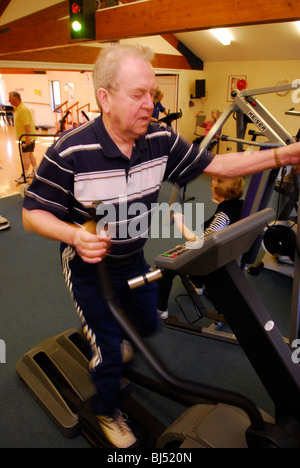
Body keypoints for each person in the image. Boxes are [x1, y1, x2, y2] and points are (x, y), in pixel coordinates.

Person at [22, 43, 300, 448]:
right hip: (89, 267)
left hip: (132, 256)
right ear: (105, 97)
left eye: (152, 94)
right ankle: (107, 408)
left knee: (149, 323)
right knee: (109, 353)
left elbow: (218, 166)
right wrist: (75, 235)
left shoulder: (159, 139)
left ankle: (117, 342)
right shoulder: (70, 150)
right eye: (137, 95)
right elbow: (32, 214)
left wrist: (285, 154)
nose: (149, 104)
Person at [157, 176, 245, 319]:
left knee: (165, 267)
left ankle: (160, 309)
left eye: (212, 185)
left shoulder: (223, 216)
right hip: (224, 253)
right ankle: (196, 285)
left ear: (219, 191)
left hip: (210, 260)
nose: (210, 187)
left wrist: (180, 224)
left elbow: (202, 244)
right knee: (189, 249)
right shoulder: (240, 205)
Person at [8, 92, 38, 183]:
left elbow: (27, 125)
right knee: (29, 154)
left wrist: (28, 138)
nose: (9, 101)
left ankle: (24, 176)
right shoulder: (18, 108)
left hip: (27, 137)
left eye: (10, 99)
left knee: (25, 156)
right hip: (25, 137)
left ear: (15, 99)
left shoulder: (23, 109)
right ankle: (36, 171)